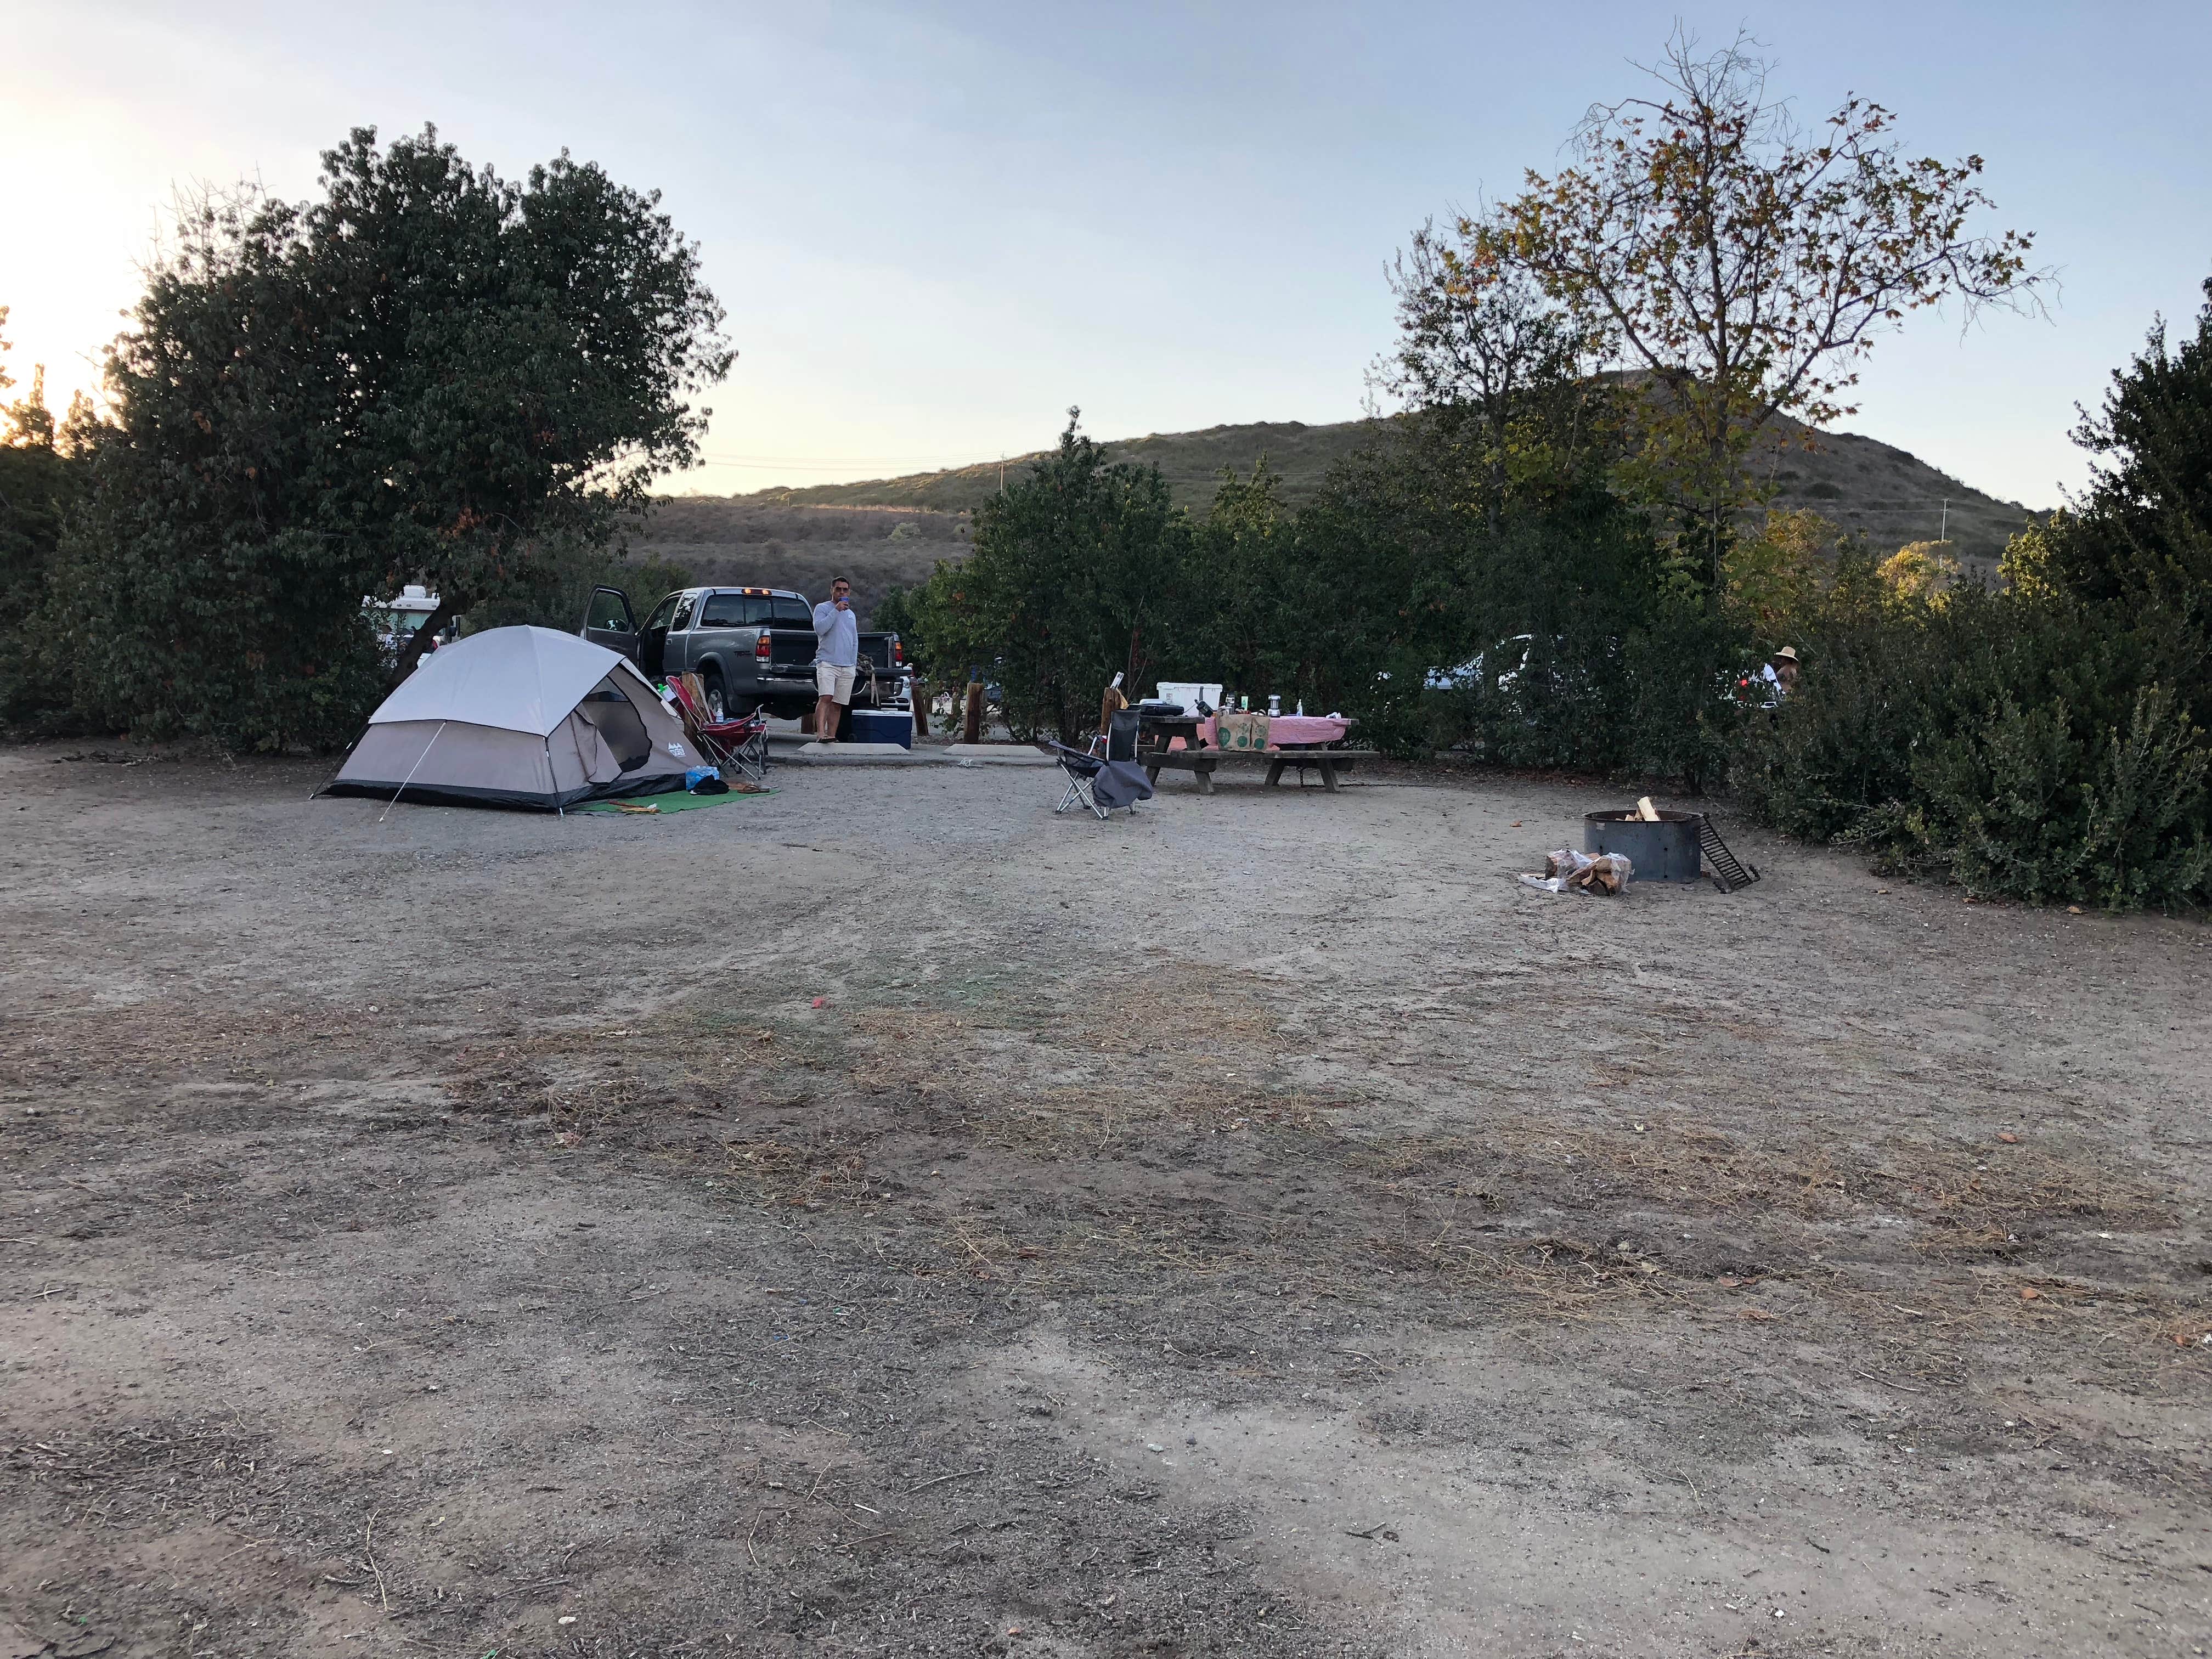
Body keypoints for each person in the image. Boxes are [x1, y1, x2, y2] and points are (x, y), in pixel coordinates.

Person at [811, 577, 859, 743]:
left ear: (849, 592)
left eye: (845, 590)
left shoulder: (851, 615)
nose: (841, 592)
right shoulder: (823, 608)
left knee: (838, 703)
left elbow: (854, 640)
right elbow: (820, 629)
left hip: (847, 665)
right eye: (838, 589)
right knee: (826, 697)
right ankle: (820, 734)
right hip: (827, 662)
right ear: (832, 590)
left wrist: (853, 663)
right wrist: (836, 610)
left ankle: (832, 735)